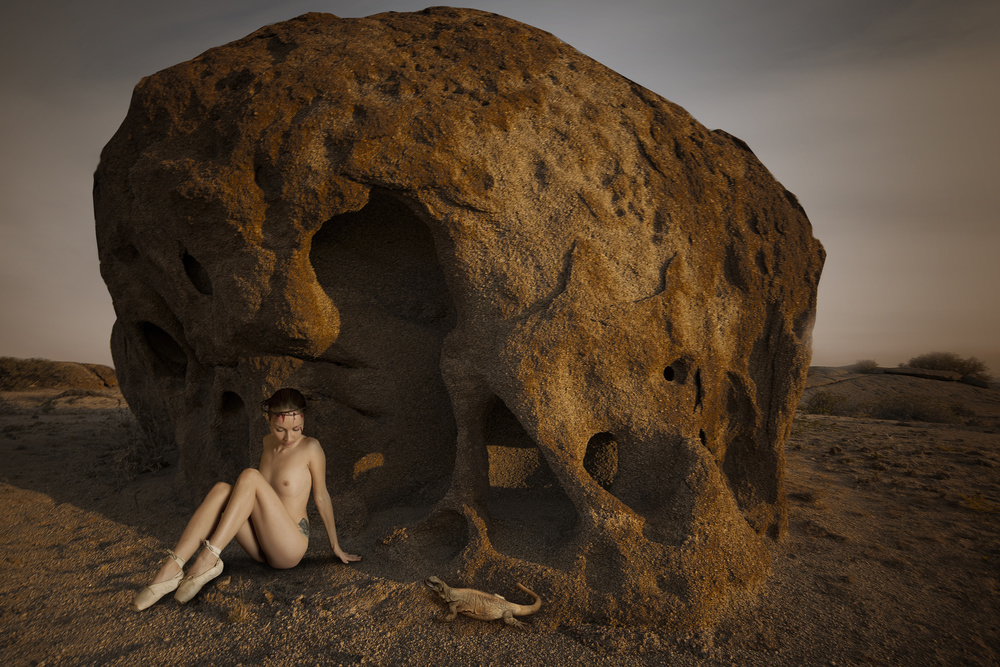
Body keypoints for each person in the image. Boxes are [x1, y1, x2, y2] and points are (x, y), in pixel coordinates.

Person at [132, 387, 361, 610]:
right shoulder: (267, 443)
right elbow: (256, 500)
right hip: (260, 542)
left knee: (250, 476)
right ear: (268, 420)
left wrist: (335, 545)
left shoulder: (311, 447)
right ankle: (171, 568)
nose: (288, 437)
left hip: (289, 547)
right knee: (221, 490)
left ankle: (207, 560)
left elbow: (322, 496)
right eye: (280, 429)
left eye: (297, 428)